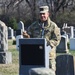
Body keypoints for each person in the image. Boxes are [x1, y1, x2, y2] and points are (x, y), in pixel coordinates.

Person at [23, 5, 61, 72]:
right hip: (36, 55)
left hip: (49, 56)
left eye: (44, 14)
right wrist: (26, 36)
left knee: (50, 72)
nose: (42, 15)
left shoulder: (53, 26)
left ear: (48, 14)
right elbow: (29, 37)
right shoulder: (33, 25)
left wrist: (47, 43)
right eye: (40, 14)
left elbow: (57, 39)